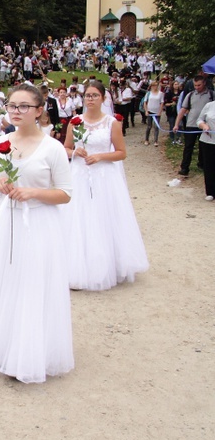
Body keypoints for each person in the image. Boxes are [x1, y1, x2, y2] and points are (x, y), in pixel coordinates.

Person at [0, 83, 74, 383]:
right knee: (2, 277)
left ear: (38, 110)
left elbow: (65, 193)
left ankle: (28, 352)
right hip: (5, 220)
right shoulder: (1, 142)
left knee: (32, 282)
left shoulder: (53, 147)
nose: (16, 111)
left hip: (39, 223)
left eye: (23, 106)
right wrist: (1, 185)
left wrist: (33, 192)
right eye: (12, 105)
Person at [63, 81, 149, 291]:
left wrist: (101, 156)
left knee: (103, 217)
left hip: (104, 176)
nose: (90, 99)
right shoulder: (75, 122)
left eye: (94, 95)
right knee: (79, 218)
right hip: (80, 174)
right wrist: (76, 152)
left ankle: (108, 264)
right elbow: (65, 148)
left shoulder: (111, 123)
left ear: (103, 98)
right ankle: (76, 267)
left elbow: (121, 152)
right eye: (87, 95)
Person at [174, 75, 215, 176]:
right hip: (191, 124)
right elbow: (183, 110)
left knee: (203, 147)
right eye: (195, 85)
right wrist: (176, 124)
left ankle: (202, 164)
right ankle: (184, 168)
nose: (197, 87)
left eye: (199, 85)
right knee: (188, 147)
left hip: (205, 126)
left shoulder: (211, 94)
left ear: (204, 83)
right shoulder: (190, 95)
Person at [196, 99, 215, 201]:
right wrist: (204, 125)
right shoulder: (209, 105)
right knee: (209, 167)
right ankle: (211, 192)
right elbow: (199, 120)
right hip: (208, 141)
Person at [143, 81, 165, 147]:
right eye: (153, 86)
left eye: (156, 85)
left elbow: (162, 103)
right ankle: (146, 139)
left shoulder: (161, 93)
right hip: (150, 111)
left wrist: (160, 112)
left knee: (156, 127)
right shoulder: (148, 93)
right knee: (149, 126)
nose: (155, 87)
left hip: (157, 112)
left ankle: (156, 140)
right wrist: (146, 111)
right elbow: (145, 102)